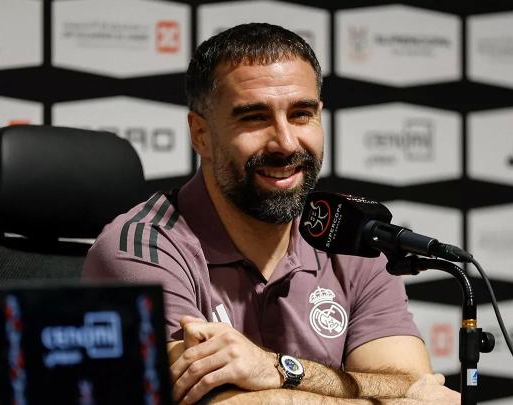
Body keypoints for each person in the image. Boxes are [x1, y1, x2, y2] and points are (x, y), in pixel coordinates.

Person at [84, 23, 459, 405]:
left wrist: (277, 368)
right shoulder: (141, 249)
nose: (285, 142)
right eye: (254, 117)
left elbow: (411, 382)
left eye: (301, 114)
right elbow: (220, 404)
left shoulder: (353, 238)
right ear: (200, 134)